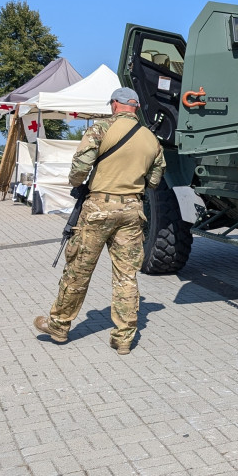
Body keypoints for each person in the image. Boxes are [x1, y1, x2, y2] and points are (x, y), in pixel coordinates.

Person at [33, 87, 165, 354]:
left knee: (79, 271)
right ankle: (123, 339)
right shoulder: (152, 139)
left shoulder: (100, 128)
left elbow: (80, 166)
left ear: (115, 104)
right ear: (136, 107)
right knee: (126, 276)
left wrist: (77, 183)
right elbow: (153, 181)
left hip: (98, 209)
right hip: (132, 211)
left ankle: (58, 327)